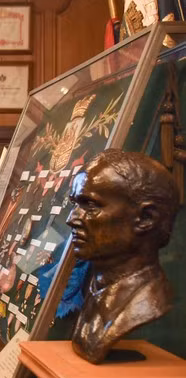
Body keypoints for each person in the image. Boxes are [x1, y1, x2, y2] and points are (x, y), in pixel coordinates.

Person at [67, 149, 180, 363]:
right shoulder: (96, 293)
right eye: (75, 204)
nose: (72, 219)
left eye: (90, 205)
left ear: (146, 218)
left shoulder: (150, 303)